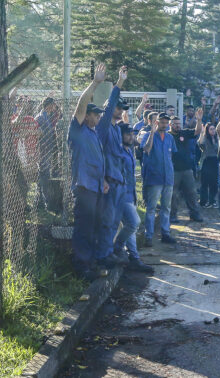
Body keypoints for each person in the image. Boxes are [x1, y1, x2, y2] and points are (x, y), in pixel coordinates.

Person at [67, 63, 108, 280]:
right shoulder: (78, 130)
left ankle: (90, 262)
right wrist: (95, 83)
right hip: (83, 186)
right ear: (87, 116)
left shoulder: (93, 133)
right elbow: (80, 106)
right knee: (83, 227)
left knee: (93, 225)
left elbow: (97, 161)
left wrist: (103, 181)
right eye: (95, 114)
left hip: (95, 186)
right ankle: (81, 267)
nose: (98, 117)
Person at [95, 66, 132, 267]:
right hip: (108, 180)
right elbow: (108, 107)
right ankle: (102, 256)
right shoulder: (103, 126)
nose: (119, 112)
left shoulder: (117, 129)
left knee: (115, 221)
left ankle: (108, 253)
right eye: (117, 108)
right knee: (107, 221)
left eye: (121, 109)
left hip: (119, 181)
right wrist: (119, 83)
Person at [112, 123, 154, 274]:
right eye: (127, 134)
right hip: (121, 195)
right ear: (120, 136)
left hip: (131, 194)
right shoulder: (118, 151)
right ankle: (116, 247)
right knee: (134, 222)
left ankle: (134, 259)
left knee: (131, 229)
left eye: (132, 134)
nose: (131, 137)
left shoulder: (130, 151)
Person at [139, 112, 178, 245]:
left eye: (166, 123)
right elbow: (147, 149)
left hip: (168, 177)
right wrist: (151, 133)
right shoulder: (148, 135)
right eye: (162, 122)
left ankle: (165, 234)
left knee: (166, 207)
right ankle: (148, 236)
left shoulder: (169, 138)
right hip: (154, 177)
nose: (164, 125)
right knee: (151, 207)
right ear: (156, 123)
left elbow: (171, 155)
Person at [168, 110, 204, 223]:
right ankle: (172, 216)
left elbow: (197, 131)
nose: (178, 126)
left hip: (187, 169)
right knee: (173, 195)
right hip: (174, 170)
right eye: (175, 124)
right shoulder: (168, 136)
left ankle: (194, 214)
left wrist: (198, 120)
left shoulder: (184, 133)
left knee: (191, 193)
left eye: (179, 124)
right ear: (170, 125)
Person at [35, 97, 62, 212]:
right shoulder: (40, 117)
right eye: (53, 105)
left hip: (47, 150)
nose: (54, 107)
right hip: (43, 150)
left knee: (43, 175)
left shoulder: (46, 116)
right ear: (48, 105)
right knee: (44, 176)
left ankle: (39, 201)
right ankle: (45, 202)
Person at [198, 123, 220, 208]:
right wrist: (202, 133)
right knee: (204, 183)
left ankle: (212, 201)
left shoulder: (217, 138)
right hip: (206, 162)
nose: (213, 130)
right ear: (207, 130)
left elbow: (218, 149)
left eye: (214, 129)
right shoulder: (205, 138)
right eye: (211, 129)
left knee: (214, 183)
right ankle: (203, 201)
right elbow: (200, 144)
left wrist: (215, 140)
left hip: (214, 161)